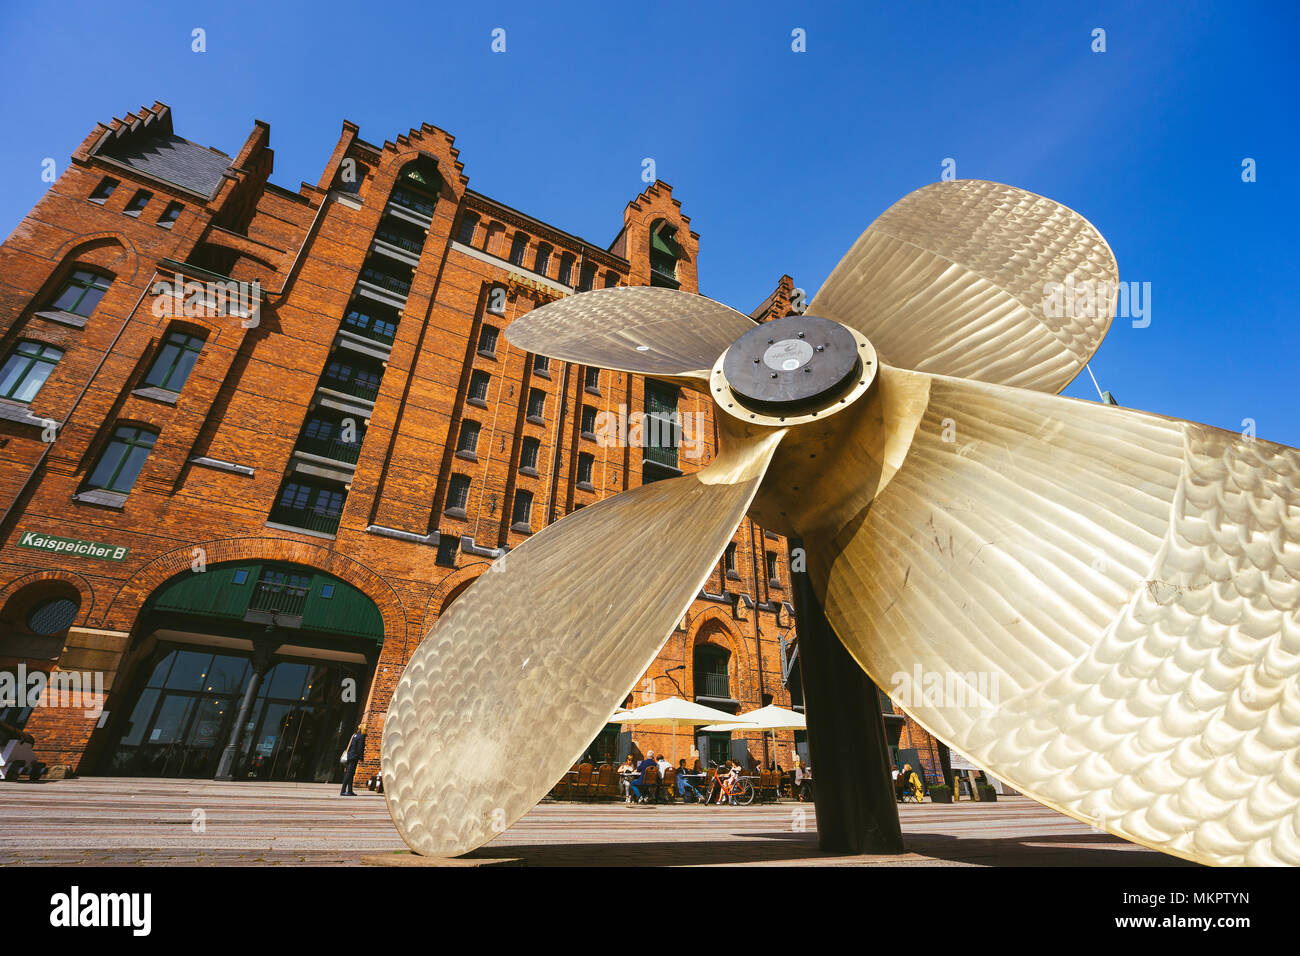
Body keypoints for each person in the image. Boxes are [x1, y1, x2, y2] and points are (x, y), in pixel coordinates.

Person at [339, 723, 365, 796]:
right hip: (354, 757)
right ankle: (343, 790)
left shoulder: (355, 735)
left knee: (351, 774)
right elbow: (360, 748)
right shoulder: (362, 736)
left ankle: (350, 790)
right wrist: (361, 758)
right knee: (349, 774)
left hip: (350, 756)